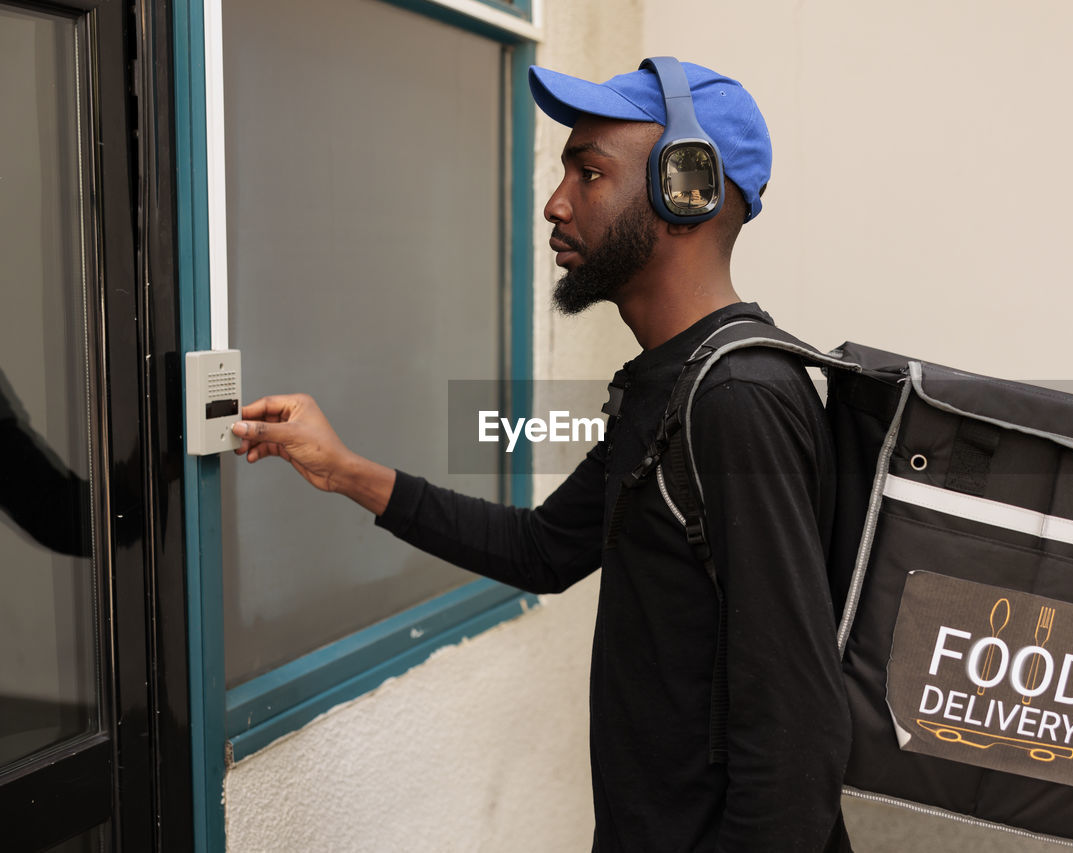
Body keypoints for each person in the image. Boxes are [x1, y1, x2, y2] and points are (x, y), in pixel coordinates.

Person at [231, 60, 853, 853]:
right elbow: (542, 548)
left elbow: (798, 740)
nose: (556, 202)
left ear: (686, 190)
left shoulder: (737, 401)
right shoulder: (672, 386)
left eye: (589, 172)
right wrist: (343, 469)